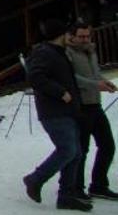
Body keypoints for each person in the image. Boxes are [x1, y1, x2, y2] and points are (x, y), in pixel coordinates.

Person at [23, 19, 91, 212]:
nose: (73, 37)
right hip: (53, 111)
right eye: (70, 34)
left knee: (76, 152)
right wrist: (61, 92)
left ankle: (66, 195)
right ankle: (35, 179)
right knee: (68, 150)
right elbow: (35, 76)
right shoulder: (44, 52)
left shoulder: (58, 53)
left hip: (66, 111)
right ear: (62, 35)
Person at [66, 22, 118, 201]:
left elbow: (94, 75)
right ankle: (76, 188)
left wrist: (105, 82)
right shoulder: (68, 53)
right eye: (81, 36)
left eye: (87, 36)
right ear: (72, 36)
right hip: (80, 107)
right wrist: (97, 85)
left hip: (96, 105)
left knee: (108, 145)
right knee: (82, 149)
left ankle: (99, 185)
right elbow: (73, 78)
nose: (84, 39)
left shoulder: (91, 51)